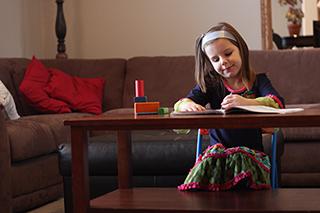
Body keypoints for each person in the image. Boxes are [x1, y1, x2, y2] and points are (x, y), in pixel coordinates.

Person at [175, 22, 284, 191]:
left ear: (240, 49)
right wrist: (187, 105)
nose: (223, 62)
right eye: (215, 59)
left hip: (251, 153)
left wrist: (247, 102)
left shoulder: (258, 81)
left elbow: (277, 102)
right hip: (218, 154)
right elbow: (182, 102)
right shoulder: (211, 84)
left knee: (241, 159)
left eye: (228, 53)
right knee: (211, 163)